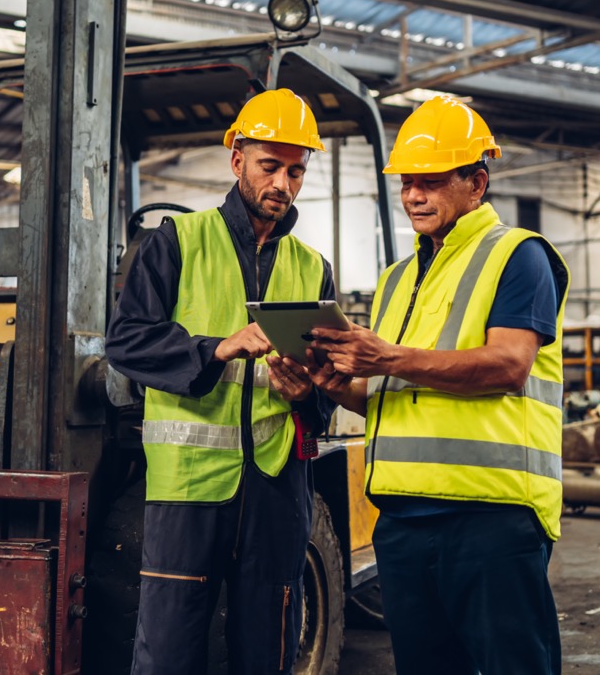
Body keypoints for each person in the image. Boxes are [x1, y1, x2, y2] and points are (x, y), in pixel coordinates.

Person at [295, 94, 570, 675]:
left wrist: (389, 356)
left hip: (490, 517)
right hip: (402, 520)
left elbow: (508, 365)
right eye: (407, 183)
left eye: (432, 181)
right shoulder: (397, 278)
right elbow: (388, 399)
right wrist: (331, 383)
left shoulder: (518, 257)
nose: (414, 196)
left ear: (477, 181)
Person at [106, 87, 338, 675]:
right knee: (170, 651)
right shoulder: (175, 244)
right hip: (189, 489)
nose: (282, 183)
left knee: (268, 650)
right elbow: (126, 341)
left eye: (296, 171)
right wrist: (218, 347)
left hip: (279, 487)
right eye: (270, 166)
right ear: (237, 161)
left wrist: (305, 393)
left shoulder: (313, 267)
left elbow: (328, 379)